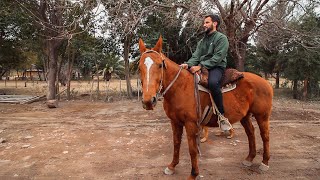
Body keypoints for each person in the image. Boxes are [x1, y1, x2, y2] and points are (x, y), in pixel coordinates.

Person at [180, 14, 232, 131]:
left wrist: (200, 66)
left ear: (215, 23)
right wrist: (188, 64)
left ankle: (221, 115)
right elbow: (196, 56)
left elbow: (218, 57)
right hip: (202, 67)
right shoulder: (203, 41)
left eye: (207, 22)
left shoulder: (221, 38)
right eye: (204, 23)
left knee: (213, 83)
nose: (204, 25)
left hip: (216, 67)